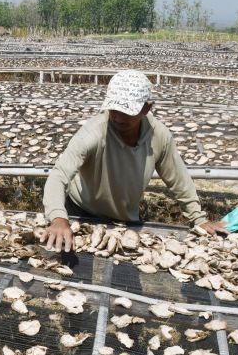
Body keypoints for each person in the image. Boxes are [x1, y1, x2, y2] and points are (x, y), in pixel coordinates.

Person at [42, 70, 227, 252]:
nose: (117, 117)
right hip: (81, 212)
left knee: (125, 273)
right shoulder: (93, 133)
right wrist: (58, 218)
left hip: (126, 218)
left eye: (126, 111)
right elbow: (59, 175)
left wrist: (198, 218)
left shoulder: (159, 136)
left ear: (147, 108)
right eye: (114, 109)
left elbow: (179, 179)